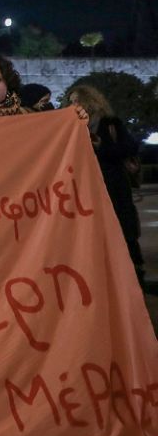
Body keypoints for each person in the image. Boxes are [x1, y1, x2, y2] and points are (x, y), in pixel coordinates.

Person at [63, 84, 156, 295]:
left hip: (114, 186)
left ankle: (134, 279)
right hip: (85, 187)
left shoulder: (109, 123)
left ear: (90, 101)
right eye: (71, 101)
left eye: (78, 100)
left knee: (123, 231)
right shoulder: (71, 125)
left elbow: (129, 147)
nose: (74, 105)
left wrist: (101, 147)